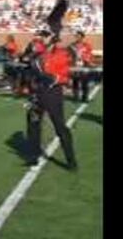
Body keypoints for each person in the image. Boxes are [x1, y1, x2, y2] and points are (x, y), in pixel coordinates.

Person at [25, 31, 77, 170]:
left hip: (52, 93)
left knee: (59, 126)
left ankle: (71, 161)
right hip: (37, 92)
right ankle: (33, 156)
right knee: (33, 123)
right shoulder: (36, 53)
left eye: (46, 36)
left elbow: (65, 75)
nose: (42, 38)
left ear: (53, 38)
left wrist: (53, 78)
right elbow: (29, 68)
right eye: (41, 36)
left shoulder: (61, 53)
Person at [69, 30, 94, 103]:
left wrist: (87, 60)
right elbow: (68, 55)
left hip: (84, 66)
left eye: (78, 36)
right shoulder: (72, 45)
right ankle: (75, 97)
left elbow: (90, 55)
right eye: (76, 36)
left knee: (85, 82)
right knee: (75, 82)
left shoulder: (87, 45)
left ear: (82, 37)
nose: (77, 38)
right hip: (74, 66)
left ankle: (85, 97)